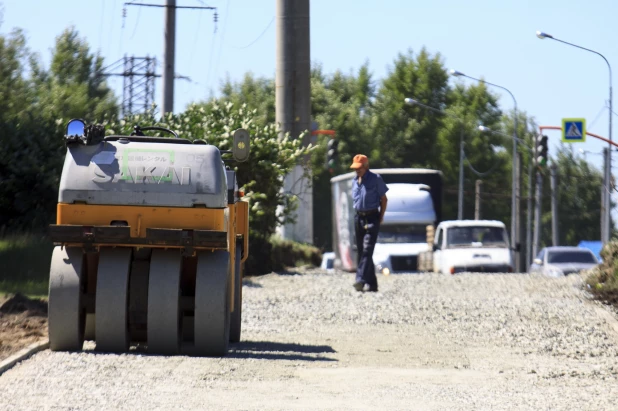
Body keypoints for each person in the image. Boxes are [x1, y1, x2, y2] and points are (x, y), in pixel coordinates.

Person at [350, 154, 388, 292]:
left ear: (366, 166)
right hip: (358, 218)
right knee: (361, 251)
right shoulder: (354, 181)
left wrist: (381, 216)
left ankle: (360, 279)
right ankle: (372, 284)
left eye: (359, 168)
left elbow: (384, 199)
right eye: (355, 168)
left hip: (372, 217)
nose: (357, 170)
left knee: (367, 249)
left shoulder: (376, 179)